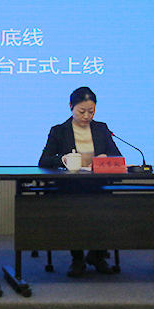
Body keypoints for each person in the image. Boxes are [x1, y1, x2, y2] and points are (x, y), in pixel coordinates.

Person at [38, 86, 122, 277]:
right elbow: (44, 161)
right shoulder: (59, 131)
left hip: (98, 185)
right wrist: (63, 160)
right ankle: (77, 258)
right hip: (70, 186)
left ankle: (97, 255)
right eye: (81, 111)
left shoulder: (101, 129)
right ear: (71, 107)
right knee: (75, 213)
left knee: (106, 211)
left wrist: (104, 158)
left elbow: (116, 156)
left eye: (91, 111)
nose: (86, 116)